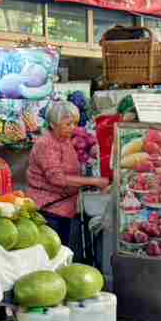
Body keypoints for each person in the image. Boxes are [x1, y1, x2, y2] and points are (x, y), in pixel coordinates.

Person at [27, 100, 108, 252]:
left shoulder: (65, 139)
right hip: (48, 210)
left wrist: (92, 151)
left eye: (75, 123)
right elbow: (56, 178)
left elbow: (80, 150)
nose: (73, 128)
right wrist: (94, 181)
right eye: (68, 124)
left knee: (61, 248)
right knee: (52, 252)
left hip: (64, 207)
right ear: (53, 124)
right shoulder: (46, 144)